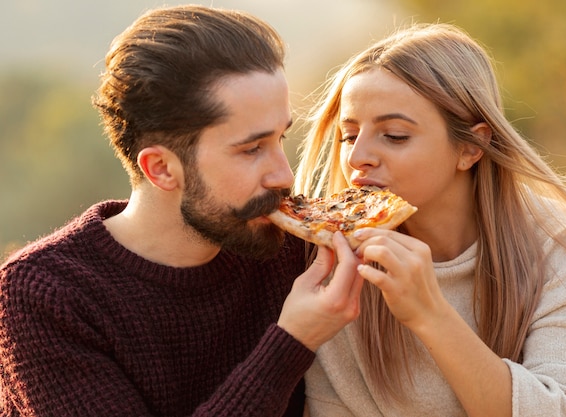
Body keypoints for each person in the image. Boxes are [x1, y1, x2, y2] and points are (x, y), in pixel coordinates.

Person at [0, 5, 364, 417]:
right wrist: (292, 341)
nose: (284, 174)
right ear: (162, 169)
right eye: (251, 149)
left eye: (281, 138)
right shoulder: (46, 295)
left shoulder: (294, 252)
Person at [295, 22, 566, 416]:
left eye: (395, 135)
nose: (356, 158)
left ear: (471, 146)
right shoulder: (325, 258)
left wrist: (429, 314)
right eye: (349, 135)